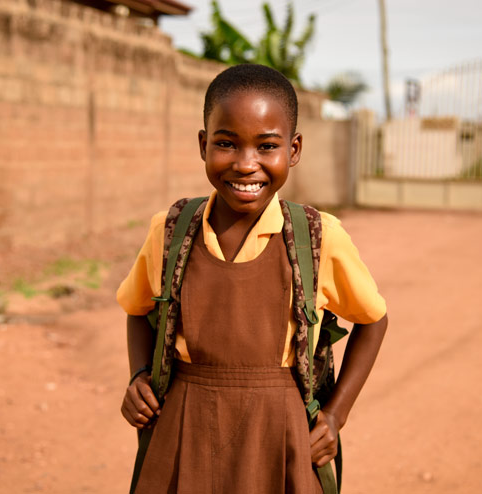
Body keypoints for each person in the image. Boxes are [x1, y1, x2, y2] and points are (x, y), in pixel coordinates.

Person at [117, 64, 388, 493]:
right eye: (226, 144)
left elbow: (374, 320)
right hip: (184, 426)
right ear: (204, 145)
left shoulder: (317, 238)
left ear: (294, 149)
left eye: (267, 146)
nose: (246, 165)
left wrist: (336, 415)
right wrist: (138, 376)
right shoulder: (170, 231)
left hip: (280, 434)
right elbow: (138, 310)